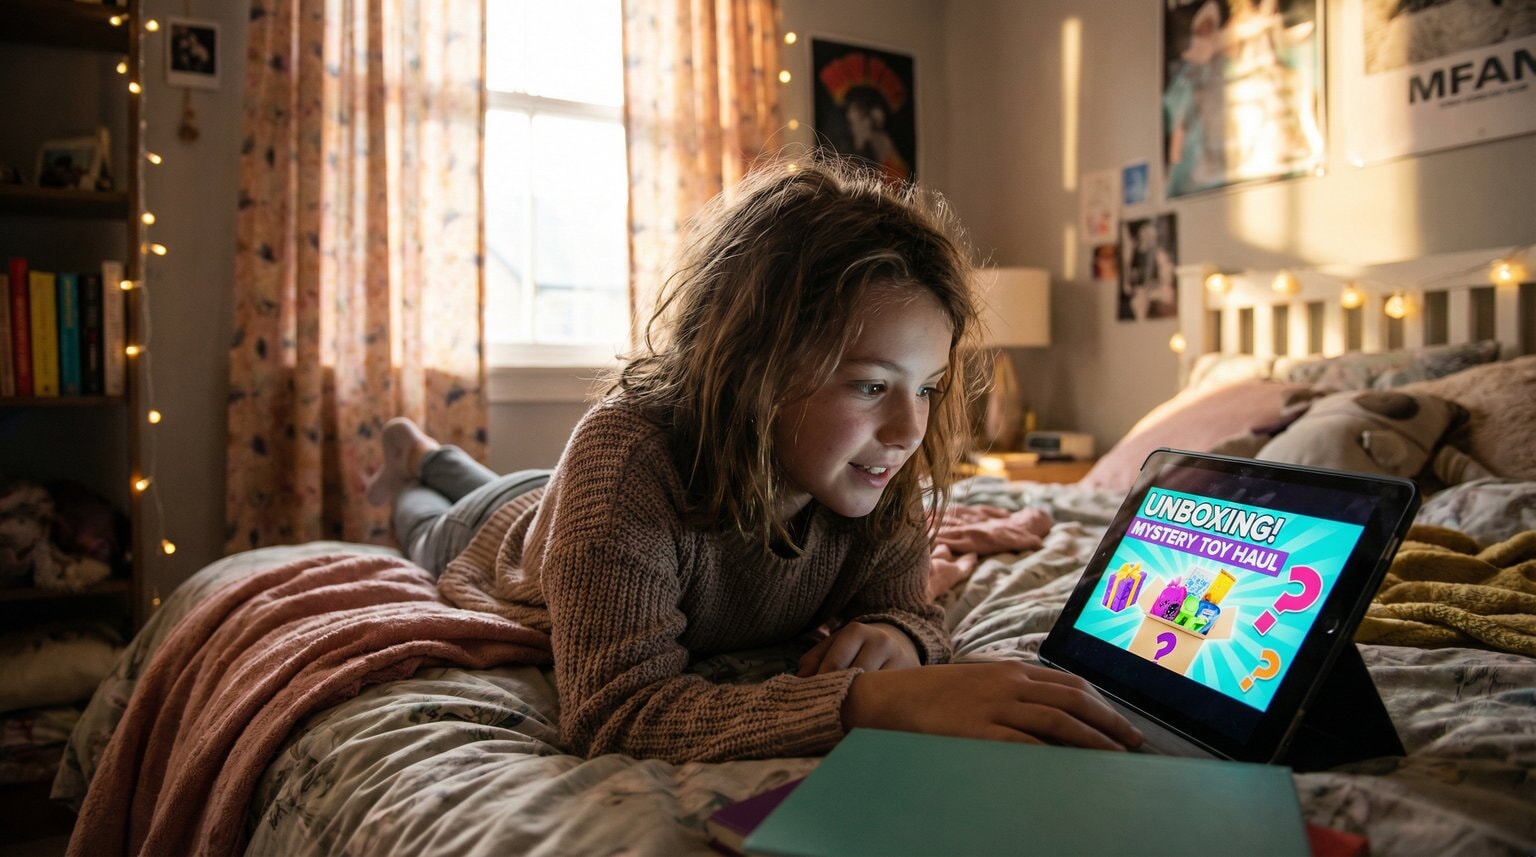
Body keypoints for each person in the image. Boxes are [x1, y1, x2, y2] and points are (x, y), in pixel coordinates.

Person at [367, 155, 1142, 763]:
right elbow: (615, 712)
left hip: (564, 507)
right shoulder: (628, 459)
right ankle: (417, 460)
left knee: (490, 483)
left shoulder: (879, 463)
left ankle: (432, 453)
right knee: (429, 520)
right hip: (508, 536)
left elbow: (913, 608)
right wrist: (866, 703)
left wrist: (904, 638)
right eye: (872, 384)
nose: (910, 429)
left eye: (930, 387)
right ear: (753, 369)